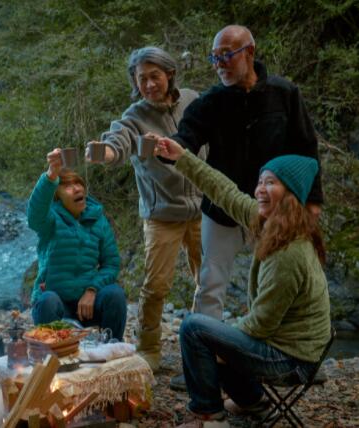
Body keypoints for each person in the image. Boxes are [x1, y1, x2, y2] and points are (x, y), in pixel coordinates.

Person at [156, 137, 331, 428]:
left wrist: (221, 349)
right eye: (260, 182)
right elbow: (225, 192)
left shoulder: (289, 251)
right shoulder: (271, 222)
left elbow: (261, 325)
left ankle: (208, 415)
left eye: (271, 183)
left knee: (194, 327)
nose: (260, 190)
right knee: (216, 335)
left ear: (291, 194)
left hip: (292, 360)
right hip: (290, 349)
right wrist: (182, 157)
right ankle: (254, 403)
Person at [168, 24, 324, 324]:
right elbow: (187, 136)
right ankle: (203, 353)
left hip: (274, 208)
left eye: (226, 55)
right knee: (211, 283)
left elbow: (306, 148)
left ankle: (280, 352)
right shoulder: (212, 101)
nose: (219, 64)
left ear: (249, 52)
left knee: (277, 279)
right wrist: (168, 148)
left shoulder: (285, 93)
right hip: (223, 208)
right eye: (214, 58)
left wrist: (312, 200)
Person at [86, 46, 205, 372]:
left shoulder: (193, 100)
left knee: (209, 282)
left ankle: (209, 346)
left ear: (169, 74)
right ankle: (149, 350)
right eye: (142, 79)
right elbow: (117, 143)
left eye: (155, 76)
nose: (150, 84)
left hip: (204, 208)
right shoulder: (134, 116)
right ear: (135, 82)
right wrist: (105, 154)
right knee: (155, 288)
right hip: (163, 214)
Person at [28, 148, 127, 340]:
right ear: (57, 197)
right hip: (56, 305)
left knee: (114, 294)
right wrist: (51, 174)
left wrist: (92, 290)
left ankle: (111, 348)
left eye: (78, 184)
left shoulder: (98, 219)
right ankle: (53, 355)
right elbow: (34, 215)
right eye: (67, 186)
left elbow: (111, 263)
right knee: (48, 300)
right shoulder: (50, 220)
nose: (77, 189)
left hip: (88, 305)